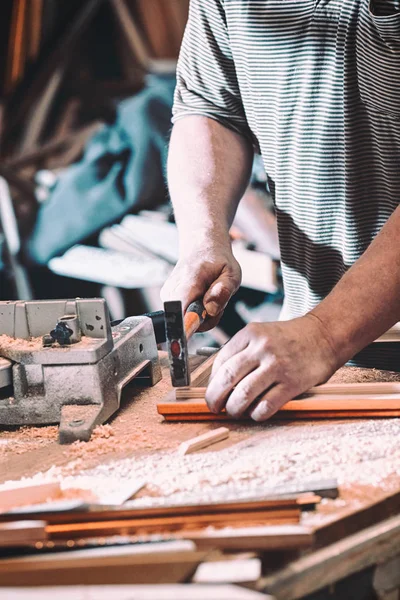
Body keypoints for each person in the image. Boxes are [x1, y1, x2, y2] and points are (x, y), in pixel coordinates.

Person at [161, 0, 400, 421]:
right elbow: (213, 108)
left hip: (324, 341)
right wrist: (203, 239)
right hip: (312, 354)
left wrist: (325, 334)